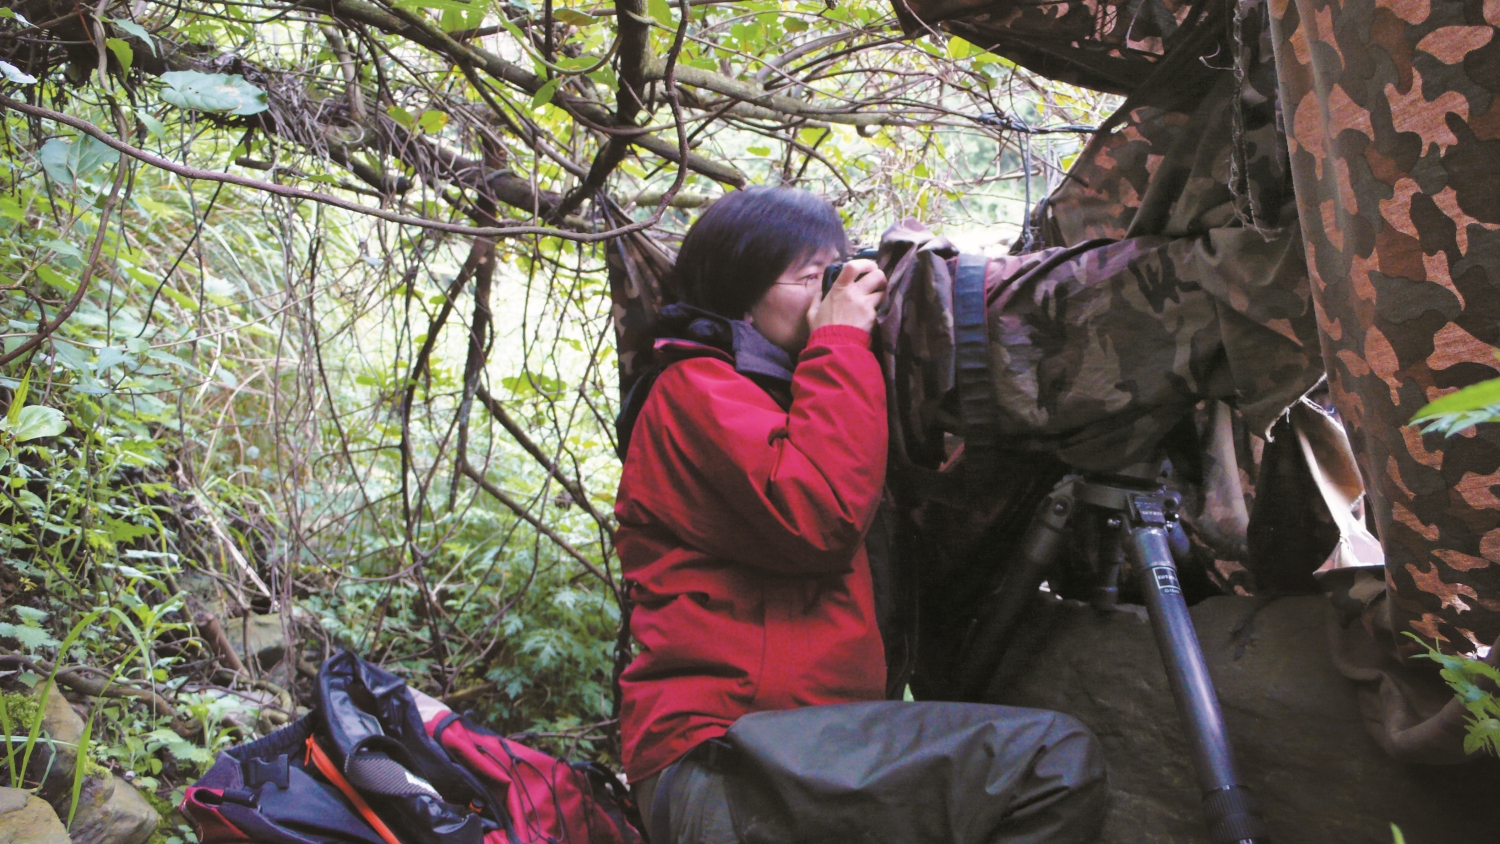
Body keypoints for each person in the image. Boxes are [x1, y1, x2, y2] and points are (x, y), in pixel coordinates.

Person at [614, 186, 1108, 844]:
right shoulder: (691, 389)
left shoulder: (784, 396)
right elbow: (816, 517)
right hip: (725, 762)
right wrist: (842, 338)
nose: (831, 294)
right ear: (741, 294)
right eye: (810, 277)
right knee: (1051, 762)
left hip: (789, 755)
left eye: (836, 272)